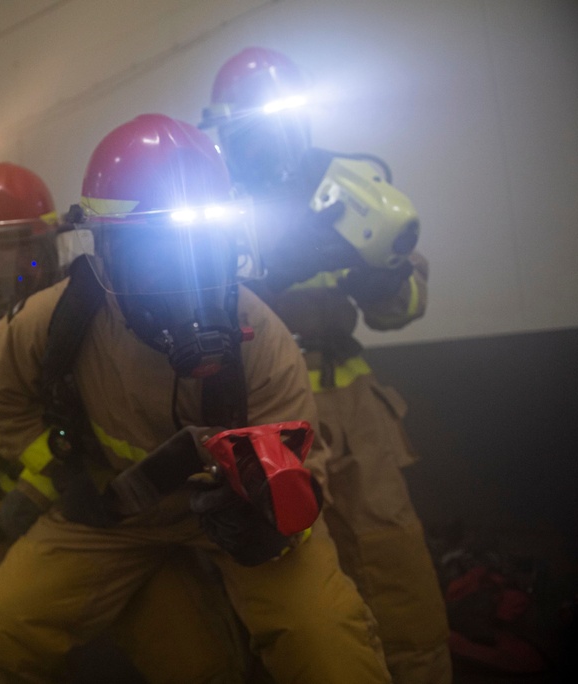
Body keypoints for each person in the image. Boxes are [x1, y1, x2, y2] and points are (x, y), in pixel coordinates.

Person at [0, 113, 390, 683]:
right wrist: (64, 471)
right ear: (106, 252)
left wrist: (270, 518)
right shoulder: (60, 320)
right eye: (155, 252)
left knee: (325, 639)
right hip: (115, 507)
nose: (186, 277)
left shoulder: (259, 337)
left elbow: (299, 465)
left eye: (203, 247)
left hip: (231, 511)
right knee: (5, 617)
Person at [0, 162, 246, 683]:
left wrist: (45, 487)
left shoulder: (85, 313)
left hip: (105, 507)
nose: (9, 269)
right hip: (11, 509)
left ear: (50, 248)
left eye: (24, 250)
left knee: (198, 660)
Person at [199, 46, 451, 683]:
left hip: (351, 409)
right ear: (224, 131)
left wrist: (384, 278)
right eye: (251, 127)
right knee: (284, 585)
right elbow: (190, 315)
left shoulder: (348, 187)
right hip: (259, 417)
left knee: (395, 566)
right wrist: (271, 272)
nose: (268, 140)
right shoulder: (208, 205)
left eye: (280, 121)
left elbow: (403, 307)